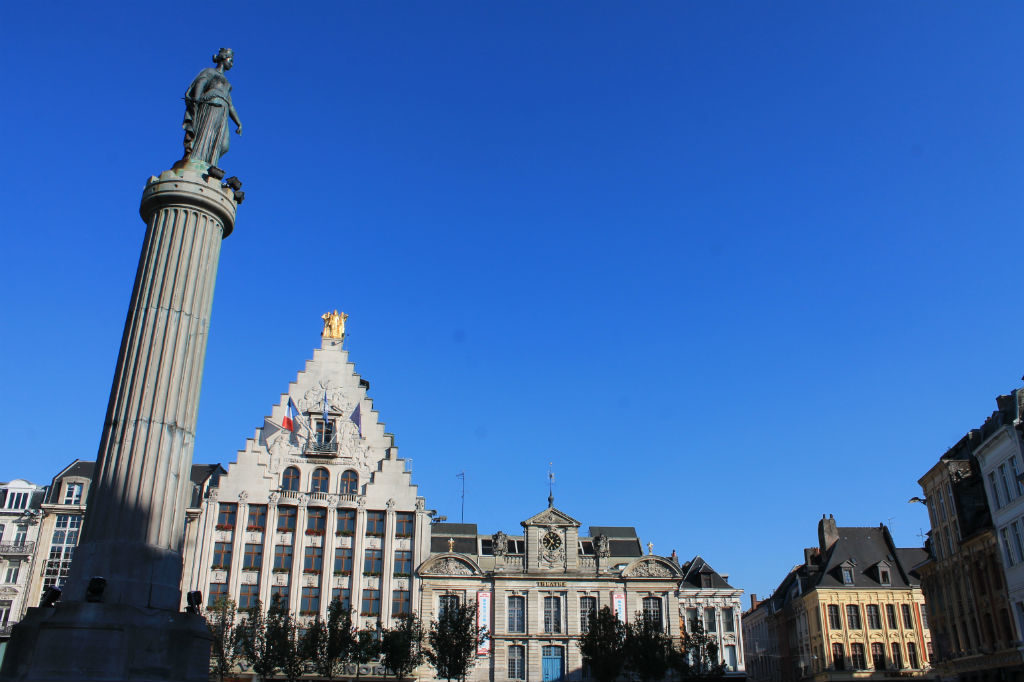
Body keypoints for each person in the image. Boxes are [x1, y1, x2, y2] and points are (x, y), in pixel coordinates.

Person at [183, 48, 243, 167]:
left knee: (224, 145)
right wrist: (197, 99)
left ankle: (209, 163)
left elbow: (230, 105)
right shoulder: (210, 72)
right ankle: (197, 161)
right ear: (223, 58)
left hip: (223, 110)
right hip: (210, 107)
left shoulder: (227, 83)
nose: (232, 64)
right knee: (205, 136)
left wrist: (238, 123)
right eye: (230, 60)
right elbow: (200, 83)